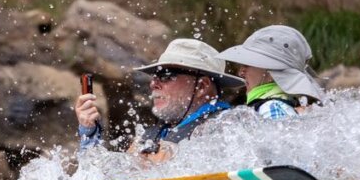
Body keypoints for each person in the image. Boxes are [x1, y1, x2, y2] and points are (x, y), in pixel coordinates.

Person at [76, 38, 244, 162]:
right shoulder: (150, 136)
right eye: (155, 76)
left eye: (166, 75)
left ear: (201, 86)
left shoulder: (229, 127)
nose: (153, 83)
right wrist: (89, 132)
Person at [219, 25, 325, 119]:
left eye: (247, 65)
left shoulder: (271, 109)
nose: (241, 73)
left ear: (271, 72)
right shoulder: (283, 105)